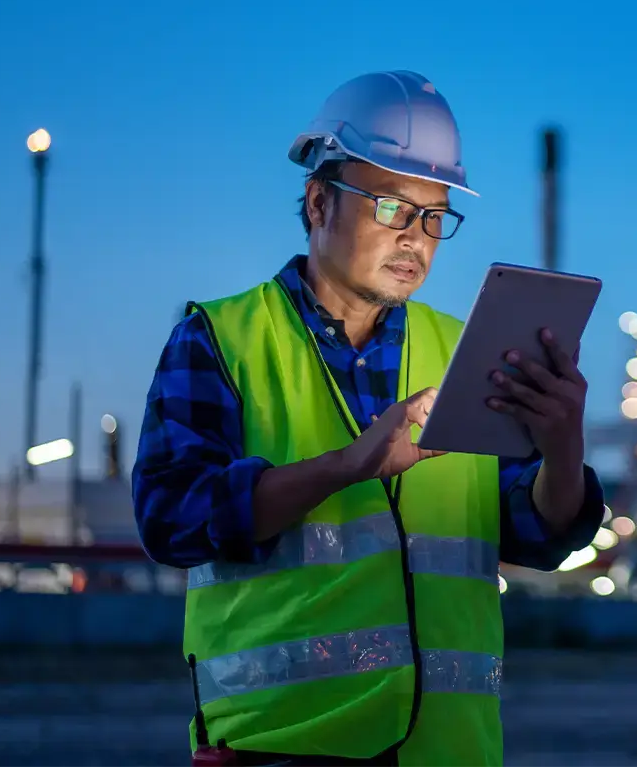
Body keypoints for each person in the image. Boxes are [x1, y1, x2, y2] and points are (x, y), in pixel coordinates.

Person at [132, 70, 605, 767]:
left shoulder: (462, 353)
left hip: (449, 752)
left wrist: (564, 451)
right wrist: (348, 466)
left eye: (435, 215)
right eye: (392, 207)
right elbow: (172, 519)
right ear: (320, 201)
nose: (417, 238)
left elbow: (534, 533)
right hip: (281, 748)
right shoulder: (221, 341)